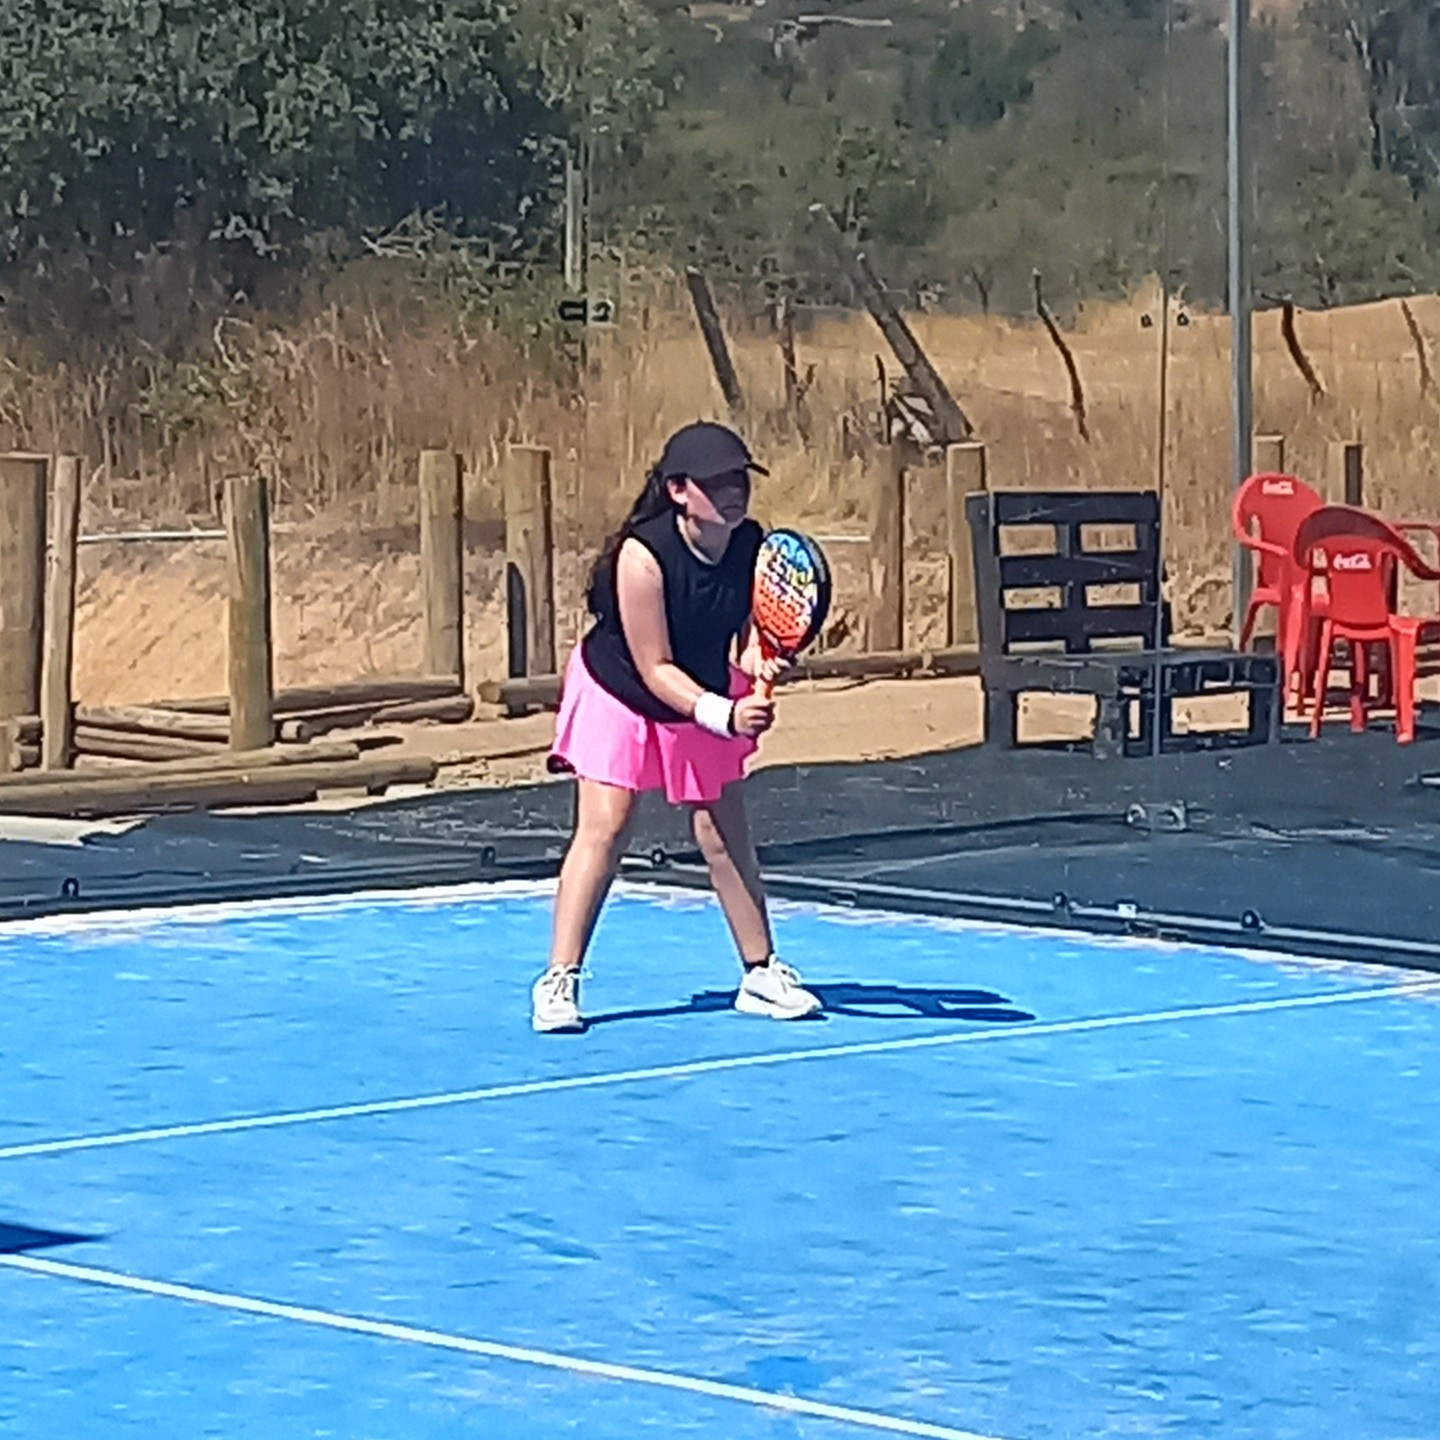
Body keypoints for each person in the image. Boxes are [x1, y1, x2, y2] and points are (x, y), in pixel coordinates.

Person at [532, 420, 823, 1033]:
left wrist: (757, 662)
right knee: (607, 823)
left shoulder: (751, 546)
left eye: (739, 479)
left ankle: (760, 973)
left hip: (702, 685)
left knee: (722, 828)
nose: (733, 492)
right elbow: (655, 667)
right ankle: (558, 979)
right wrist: (725, 714)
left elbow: (745, 637)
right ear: (678, 491)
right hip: (621, 690)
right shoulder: (642, 558)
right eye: (716, 483)